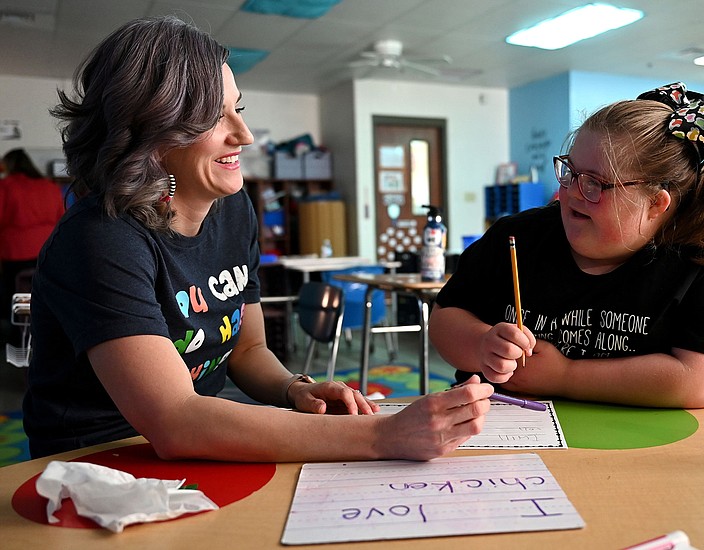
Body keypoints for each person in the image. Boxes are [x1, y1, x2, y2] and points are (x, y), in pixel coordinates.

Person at [23, 16, 493, 460]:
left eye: (238, 108)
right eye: (213, 117)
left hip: (206, 432)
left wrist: (294, 387)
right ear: (149, 133)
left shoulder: (232, 209)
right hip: (100, 456)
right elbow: (175, 420)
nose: (244, 134)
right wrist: (382, 434)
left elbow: (247, 350)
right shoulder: (100, 240)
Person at [430, 82, 704, 409]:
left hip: (633, 445)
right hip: (499, 426)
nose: (571, 192)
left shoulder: (701, 257)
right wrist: (482, 345)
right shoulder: (517, 236)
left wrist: (565, 376)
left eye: (595, 183)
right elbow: (446, 317)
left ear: (656, 202)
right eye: (570, 172)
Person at [0, 148, 65, 341]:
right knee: (42, 293)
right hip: (46, 250)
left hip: (15, 252)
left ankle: (17, 334)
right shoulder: (50, 185)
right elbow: (60, 217)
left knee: (15, 294)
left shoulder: (6, 186)